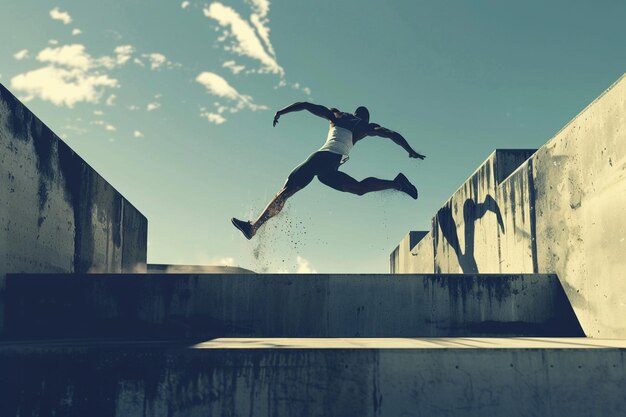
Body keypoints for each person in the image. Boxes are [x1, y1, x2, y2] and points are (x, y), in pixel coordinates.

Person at [231, 102, 425, 240]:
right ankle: (397, 183)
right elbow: (392, 134)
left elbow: (307, 105)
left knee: (286, 191)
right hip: (329, 164)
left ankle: (254, 227)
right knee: (358, 189)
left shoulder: (336, 115)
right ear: (366, 118)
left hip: (323, 159)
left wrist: (282, 111)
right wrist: (410, 151)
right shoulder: (364, 126)